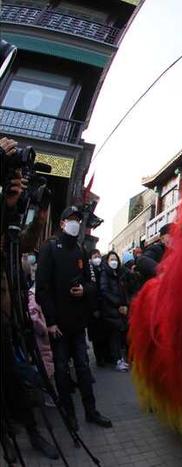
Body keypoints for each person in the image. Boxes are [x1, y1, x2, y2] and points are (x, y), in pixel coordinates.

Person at [1, 137, 58, 461]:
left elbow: (23, 244)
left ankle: (34, 432)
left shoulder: (9, 216)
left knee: (17, 383)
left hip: (10, 317)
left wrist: (37, 212)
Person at [35, 206, 112, 431]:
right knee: (61, 369)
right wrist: (50, 321)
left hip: (78, 324)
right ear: (61, 223)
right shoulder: (49, 248)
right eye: (71, 219)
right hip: (58, 325)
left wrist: (84, 291)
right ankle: (69, 415)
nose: (75, 223)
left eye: (78, 220)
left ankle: (91, 411)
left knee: (83, 368)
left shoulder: (80, 251)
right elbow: (42, 289)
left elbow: (91, 283)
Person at [100, 252, 129, 372]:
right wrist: (118, 305)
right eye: (112, 259)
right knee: (114, 337)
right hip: (110, 310)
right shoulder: (105, 274)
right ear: (107, 261)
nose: (114, 262)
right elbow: (104, 291)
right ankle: (117, 360)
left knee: (117, 336)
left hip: (118, 310)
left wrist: (124, 304)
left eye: (116, 259)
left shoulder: (118, 274)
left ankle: (119, 359)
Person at [86, 249, 110, 367]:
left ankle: (105, 356)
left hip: (104, 306)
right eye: (95, 256)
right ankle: (99, 358)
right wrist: (93, 308)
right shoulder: (89, 271)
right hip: (93, 308)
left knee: (104, 333)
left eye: (98, 256)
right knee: (96, 336)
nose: (97, 259)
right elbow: (90, 291)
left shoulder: (103, 269)